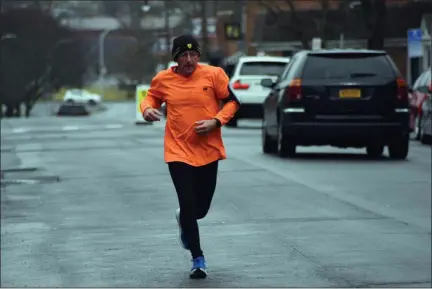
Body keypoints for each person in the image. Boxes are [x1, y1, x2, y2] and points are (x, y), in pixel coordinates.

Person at [140, 34, 241, 279]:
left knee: (200, 209)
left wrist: (216, 121)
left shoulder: (214, 75)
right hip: (178, 150)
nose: (189, 60)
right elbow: (151, 97)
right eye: (183, 55)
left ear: (199, 55)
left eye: (193, 54)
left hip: (208, 150)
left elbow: (232, 103)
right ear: (175, 57)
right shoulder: (163, 79)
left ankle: (185, 218)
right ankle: (198, 258)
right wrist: (147, 109)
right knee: (187, 202)